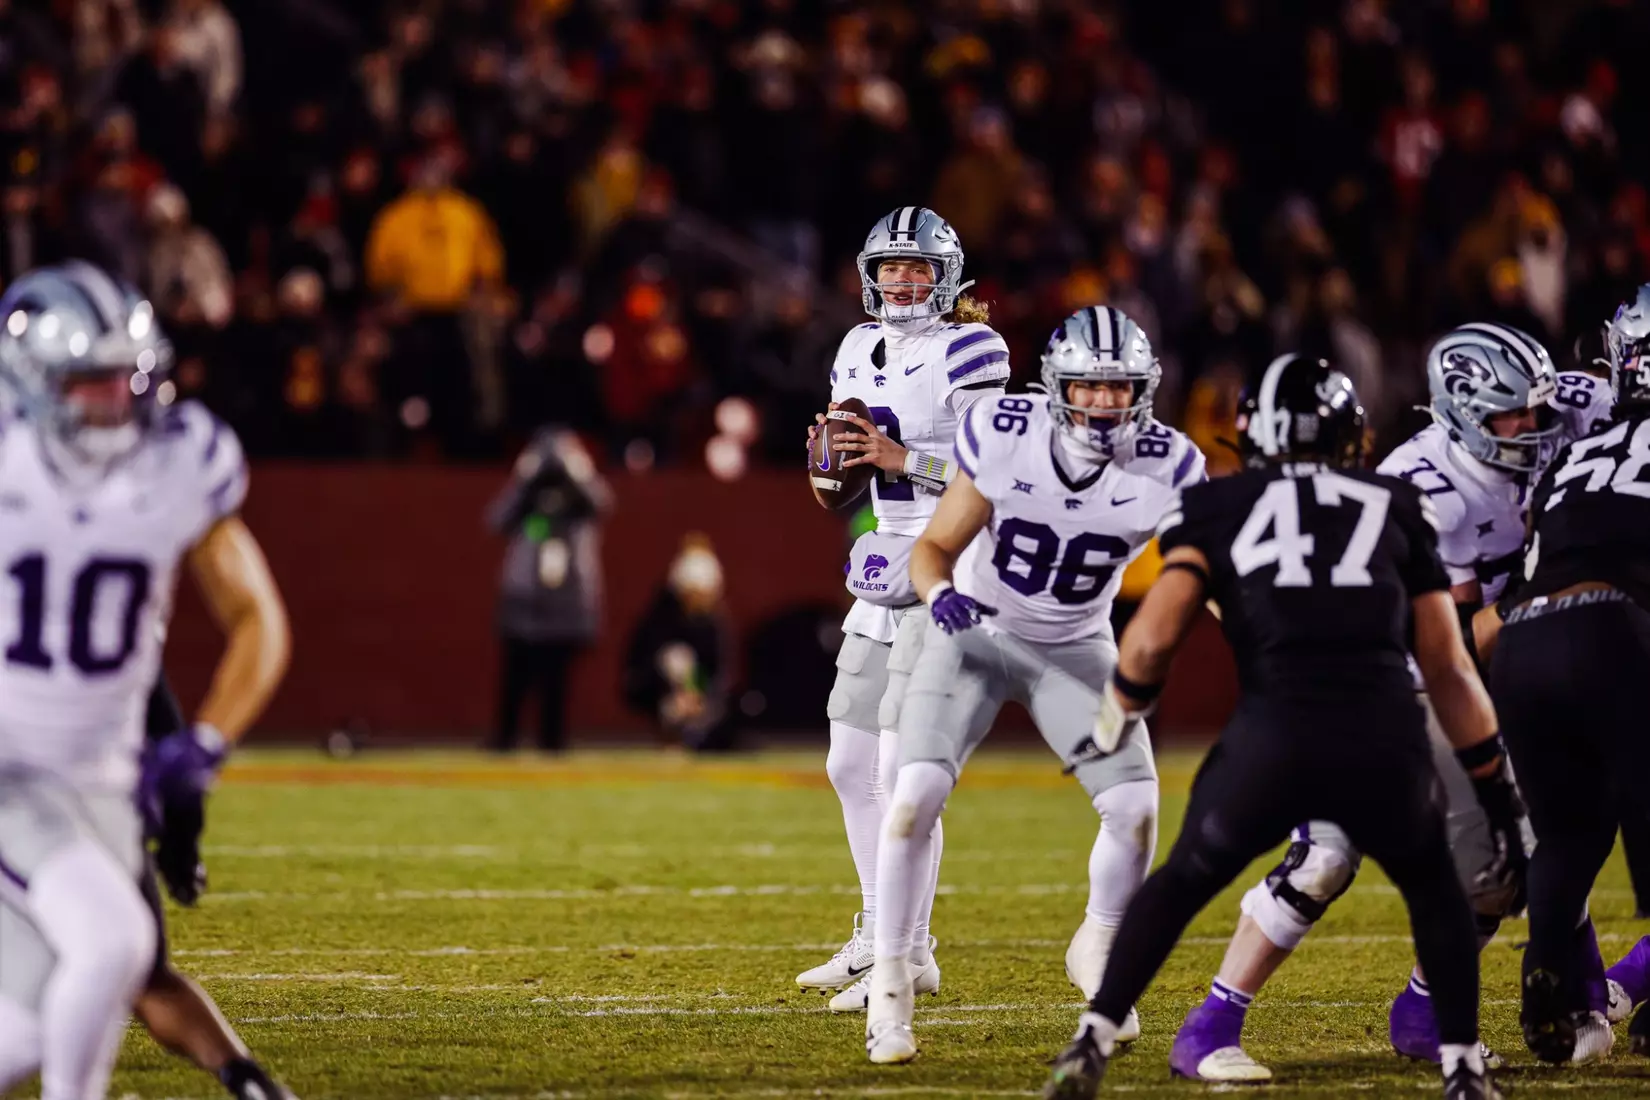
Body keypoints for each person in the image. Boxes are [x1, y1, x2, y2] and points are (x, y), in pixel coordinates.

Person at [1043, 355, 1524, 1100]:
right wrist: (1493, 785)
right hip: (1383, 740)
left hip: (1273, 737)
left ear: (1253, 436)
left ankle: (1094, 1037)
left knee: (1182, 880)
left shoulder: (1215, 506)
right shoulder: (1396, 503)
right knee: (1433, 888)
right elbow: (1450, 667)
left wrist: (1110, 721)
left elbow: (1149, 641)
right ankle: (1462, 1065)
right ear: (1349, 436)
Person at [1169, 323, 1616, 1081]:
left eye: (1537, 409)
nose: (1533, 427)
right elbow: (1460, 638)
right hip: (1378, 680)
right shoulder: (1425, 487)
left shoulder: (1573, 413)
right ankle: (1208, 1027)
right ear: (1464, 412)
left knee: (1509, 859)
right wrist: (1553, 596)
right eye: (1512, 414)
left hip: (1480, 685)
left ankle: (1427, 1011)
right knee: (1326, 857)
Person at [863, 306, 1206, 1064]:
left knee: (1136, 807)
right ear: (1056, 386)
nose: (1104, 404)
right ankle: (890, 976)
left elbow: (1203, 574)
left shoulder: (1170, 463)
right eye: (1088, 385)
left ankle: (1101, 941)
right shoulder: (1004, 433)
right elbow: (935, 547)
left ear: (1145, 391)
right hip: (979, 635)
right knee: (913, 794)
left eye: (1120, 389)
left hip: (1078, 646)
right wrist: (937, 594)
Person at [0, 260, 289, 1099]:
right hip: (12, 769)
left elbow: (259, 619)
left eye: (124, 376)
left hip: (99, 785)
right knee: (113, 942)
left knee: (24, 1024)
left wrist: (205, 741)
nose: (115, 401)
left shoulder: (175, 464)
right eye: (88, 381)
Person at [796, 207, 1010, 1011]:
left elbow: (995, 468)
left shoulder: (974, 346)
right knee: (849, 766)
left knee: (900, 771)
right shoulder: (855, 346)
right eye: (891, 266)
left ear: (946, 276)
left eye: (918, 267)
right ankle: (879, 929)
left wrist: (899, 457)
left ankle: (908, 954)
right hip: (881, 558)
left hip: (950, 560)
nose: (903, 280)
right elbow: (847, 464)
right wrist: (831, 463)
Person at [1473, 283, 1650, 1062]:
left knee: (1570, 835)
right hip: (1617, 633)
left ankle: (1548, 987)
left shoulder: (1578, 452)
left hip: (1526, 641)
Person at [137, 678, 296, 1099]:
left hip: (53, 818)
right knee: (140, 975)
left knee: (134, 973)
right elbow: (172, 747)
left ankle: (249, 1081)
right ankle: (249, 1081)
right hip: (90, 819)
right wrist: (181, 848)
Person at [487, 426, 609, 753]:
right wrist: (523, 481)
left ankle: (552, 742)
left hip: (566, 602)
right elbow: (496, 520)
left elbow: (602, 504)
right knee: (515, 679)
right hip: (525, 598)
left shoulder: (581, 499)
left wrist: (578, 473)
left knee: (556, 681)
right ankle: (505, 739)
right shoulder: (527, 495)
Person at [621, 534, 737, 752]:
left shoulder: (714, 624)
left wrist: (700, 695)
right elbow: (640, 667)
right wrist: (671, 692)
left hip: (700, 698)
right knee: (676, 657)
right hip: (661, 692)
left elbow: (719, 671)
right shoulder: (658, 620)